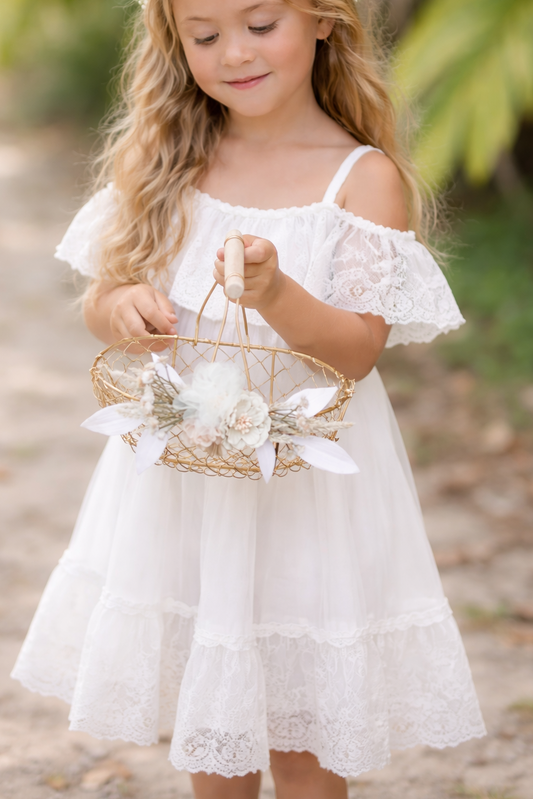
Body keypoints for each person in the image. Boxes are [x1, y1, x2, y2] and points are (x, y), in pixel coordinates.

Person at [12, 1, 486, 797]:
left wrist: (275, 292)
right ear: (177, 42)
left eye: (260, 25)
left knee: (300, 739)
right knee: (215, 723)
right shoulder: (170, 156)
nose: (234, 52)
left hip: (308, 489)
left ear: (323, 20)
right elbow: (105, 293)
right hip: (192, 481)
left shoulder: (359, 179)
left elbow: (357, 350)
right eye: (204, 36)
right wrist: (120, 310)